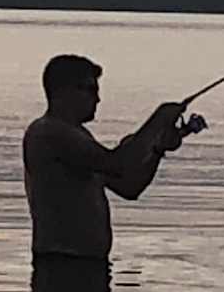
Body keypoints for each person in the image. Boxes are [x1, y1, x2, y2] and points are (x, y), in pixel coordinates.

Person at [23, 54, 204, 260]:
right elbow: (119, 164)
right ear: (64, 92)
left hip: (87, 266)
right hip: (61, 265)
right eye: (91, 90)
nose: (98, 99)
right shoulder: (50, 132)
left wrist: (157, 149)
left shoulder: (78, 136)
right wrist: (159, 118)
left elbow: (129, 187)